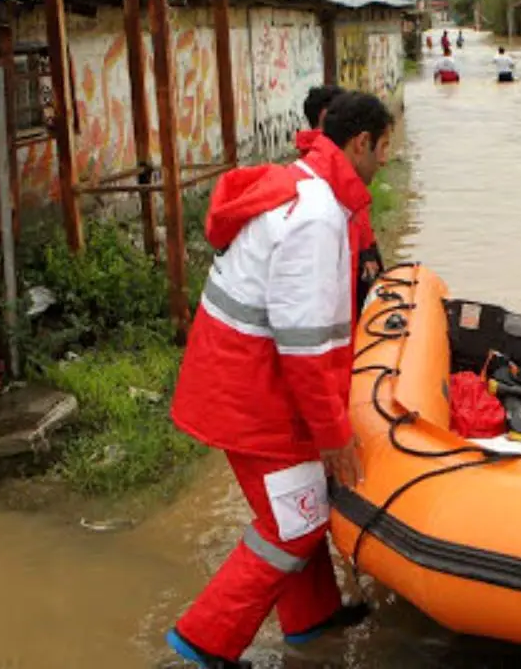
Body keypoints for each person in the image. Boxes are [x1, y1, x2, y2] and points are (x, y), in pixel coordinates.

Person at [165, 92, 397, 669]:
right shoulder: (316, 217)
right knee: (290, 525)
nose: (389, 159)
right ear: (361, 143)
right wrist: (333, 434)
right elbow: (305, 342)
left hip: (244, 378)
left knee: (303, 505)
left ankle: (311, 619)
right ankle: (203, 643)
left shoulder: (306, 187)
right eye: (386, 146)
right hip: (248, 393)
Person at [298, 85, 384, 305]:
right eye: (383, 147)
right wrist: (367, 252)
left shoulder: (316, 165)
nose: (384, 159)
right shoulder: (320, 203)